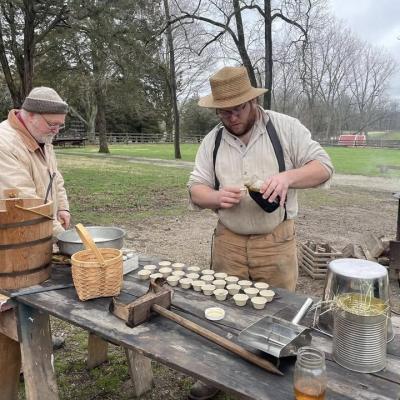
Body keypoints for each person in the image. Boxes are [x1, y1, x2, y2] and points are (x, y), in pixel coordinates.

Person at [187, 66, 333, 399]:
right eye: (224, 111)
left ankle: (272, 381)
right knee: (225, 310)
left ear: (253, 102)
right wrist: (215, 197)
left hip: (275, 241)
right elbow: (195, 189)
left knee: (280, 315)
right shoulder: (213, 141)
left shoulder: (285, 128)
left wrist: (287, 178)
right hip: (228, 243)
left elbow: (323, 167)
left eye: (238, 108)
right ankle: (219, 373)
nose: (232, 116)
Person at [0, 86, 70, 236]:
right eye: (52, 124)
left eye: (60, 125)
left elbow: (55, 177)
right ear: (31, 115)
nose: (56, 130)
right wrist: (63, 237)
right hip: (16, 239)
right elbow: (24, 201)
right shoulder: (4, 143)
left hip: (39, 231)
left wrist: (62, 207)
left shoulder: (41, 136)